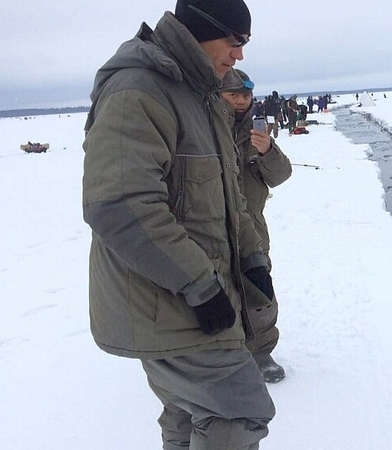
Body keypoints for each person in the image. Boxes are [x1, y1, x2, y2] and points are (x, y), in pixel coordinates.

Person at [81, 1, 276, 449]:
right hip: (167, 300)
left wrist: (252, 257)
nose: (239, 55)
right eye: (236, 41)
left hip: (194, 297)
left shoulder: (200, 96)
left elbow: (227, 192)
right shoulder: (140, 90)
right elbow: (120, 205)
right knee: (239, 408)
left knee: (187, 409)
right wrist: (201, 286)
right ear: (203, 30)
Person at [220, 68, 293, 383]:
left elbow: (280, 175)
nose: (240, 100)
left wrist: (267, 150)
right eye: (233, 94)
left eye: (246, 95)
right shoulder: (203, 129)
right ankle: (219, 358)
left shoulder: (256, 131)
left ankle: (261, 354)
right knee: (216, 293)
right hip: (211, 230)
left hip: (253, 229)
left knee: (259, 293)